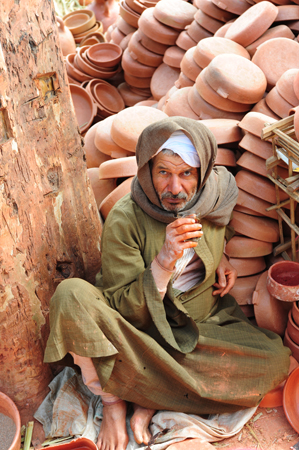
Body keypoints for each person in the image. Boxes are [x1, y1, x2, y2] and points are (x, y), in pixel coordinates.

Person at [44, 117, 290, 450]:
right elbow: (120, 305)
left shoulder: (217, 192)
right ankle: (116, 403)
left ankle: (148, 399)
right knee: (71, 294)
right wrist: (163, 262)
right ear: (147, 170)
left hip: (202, 323)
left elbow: (223, 225)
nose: (174, 189)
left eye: (186, 173)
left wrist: (221, 258)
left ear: (202, 172)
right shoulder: (125, 218)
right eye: (164, 172)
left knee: (274, 361)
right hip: (141, 331)